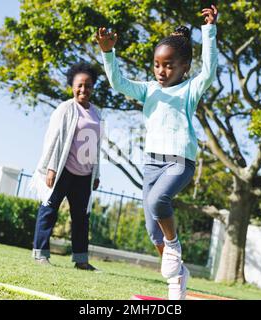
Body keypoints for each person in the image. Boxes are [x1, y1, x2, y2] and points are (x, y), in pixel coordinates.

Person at [97, 5, 219, 299]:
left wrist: (209, 31)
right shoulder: (149, 89)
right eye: (157, 65)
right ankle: (178, 277)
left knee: (158, 199)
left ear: (184, 67)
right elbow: (118, 83)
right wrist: (108, 53)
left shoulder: (191, 88)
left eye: (169, 65)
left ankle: (174, 245)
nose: (162, 71)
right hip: (151, 163)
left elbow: (210, 68)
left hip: (180, 161)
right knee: (153, 231)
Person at [29, 62, 103, 271]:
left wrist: (96, 173)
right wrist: (51, 167)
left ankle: (81, 260)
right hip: (63, 170)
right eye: (79, 85)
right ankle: (40, 254)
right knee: (49, 209)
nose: (83, 89)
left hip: (84, 174)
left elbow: (96, 146)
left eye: (88, 85)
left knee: (81, 218)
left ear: (92, 87)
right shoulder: (65, 109)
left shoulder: (97, 114)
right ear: (72, 86)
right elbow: (53, 139)